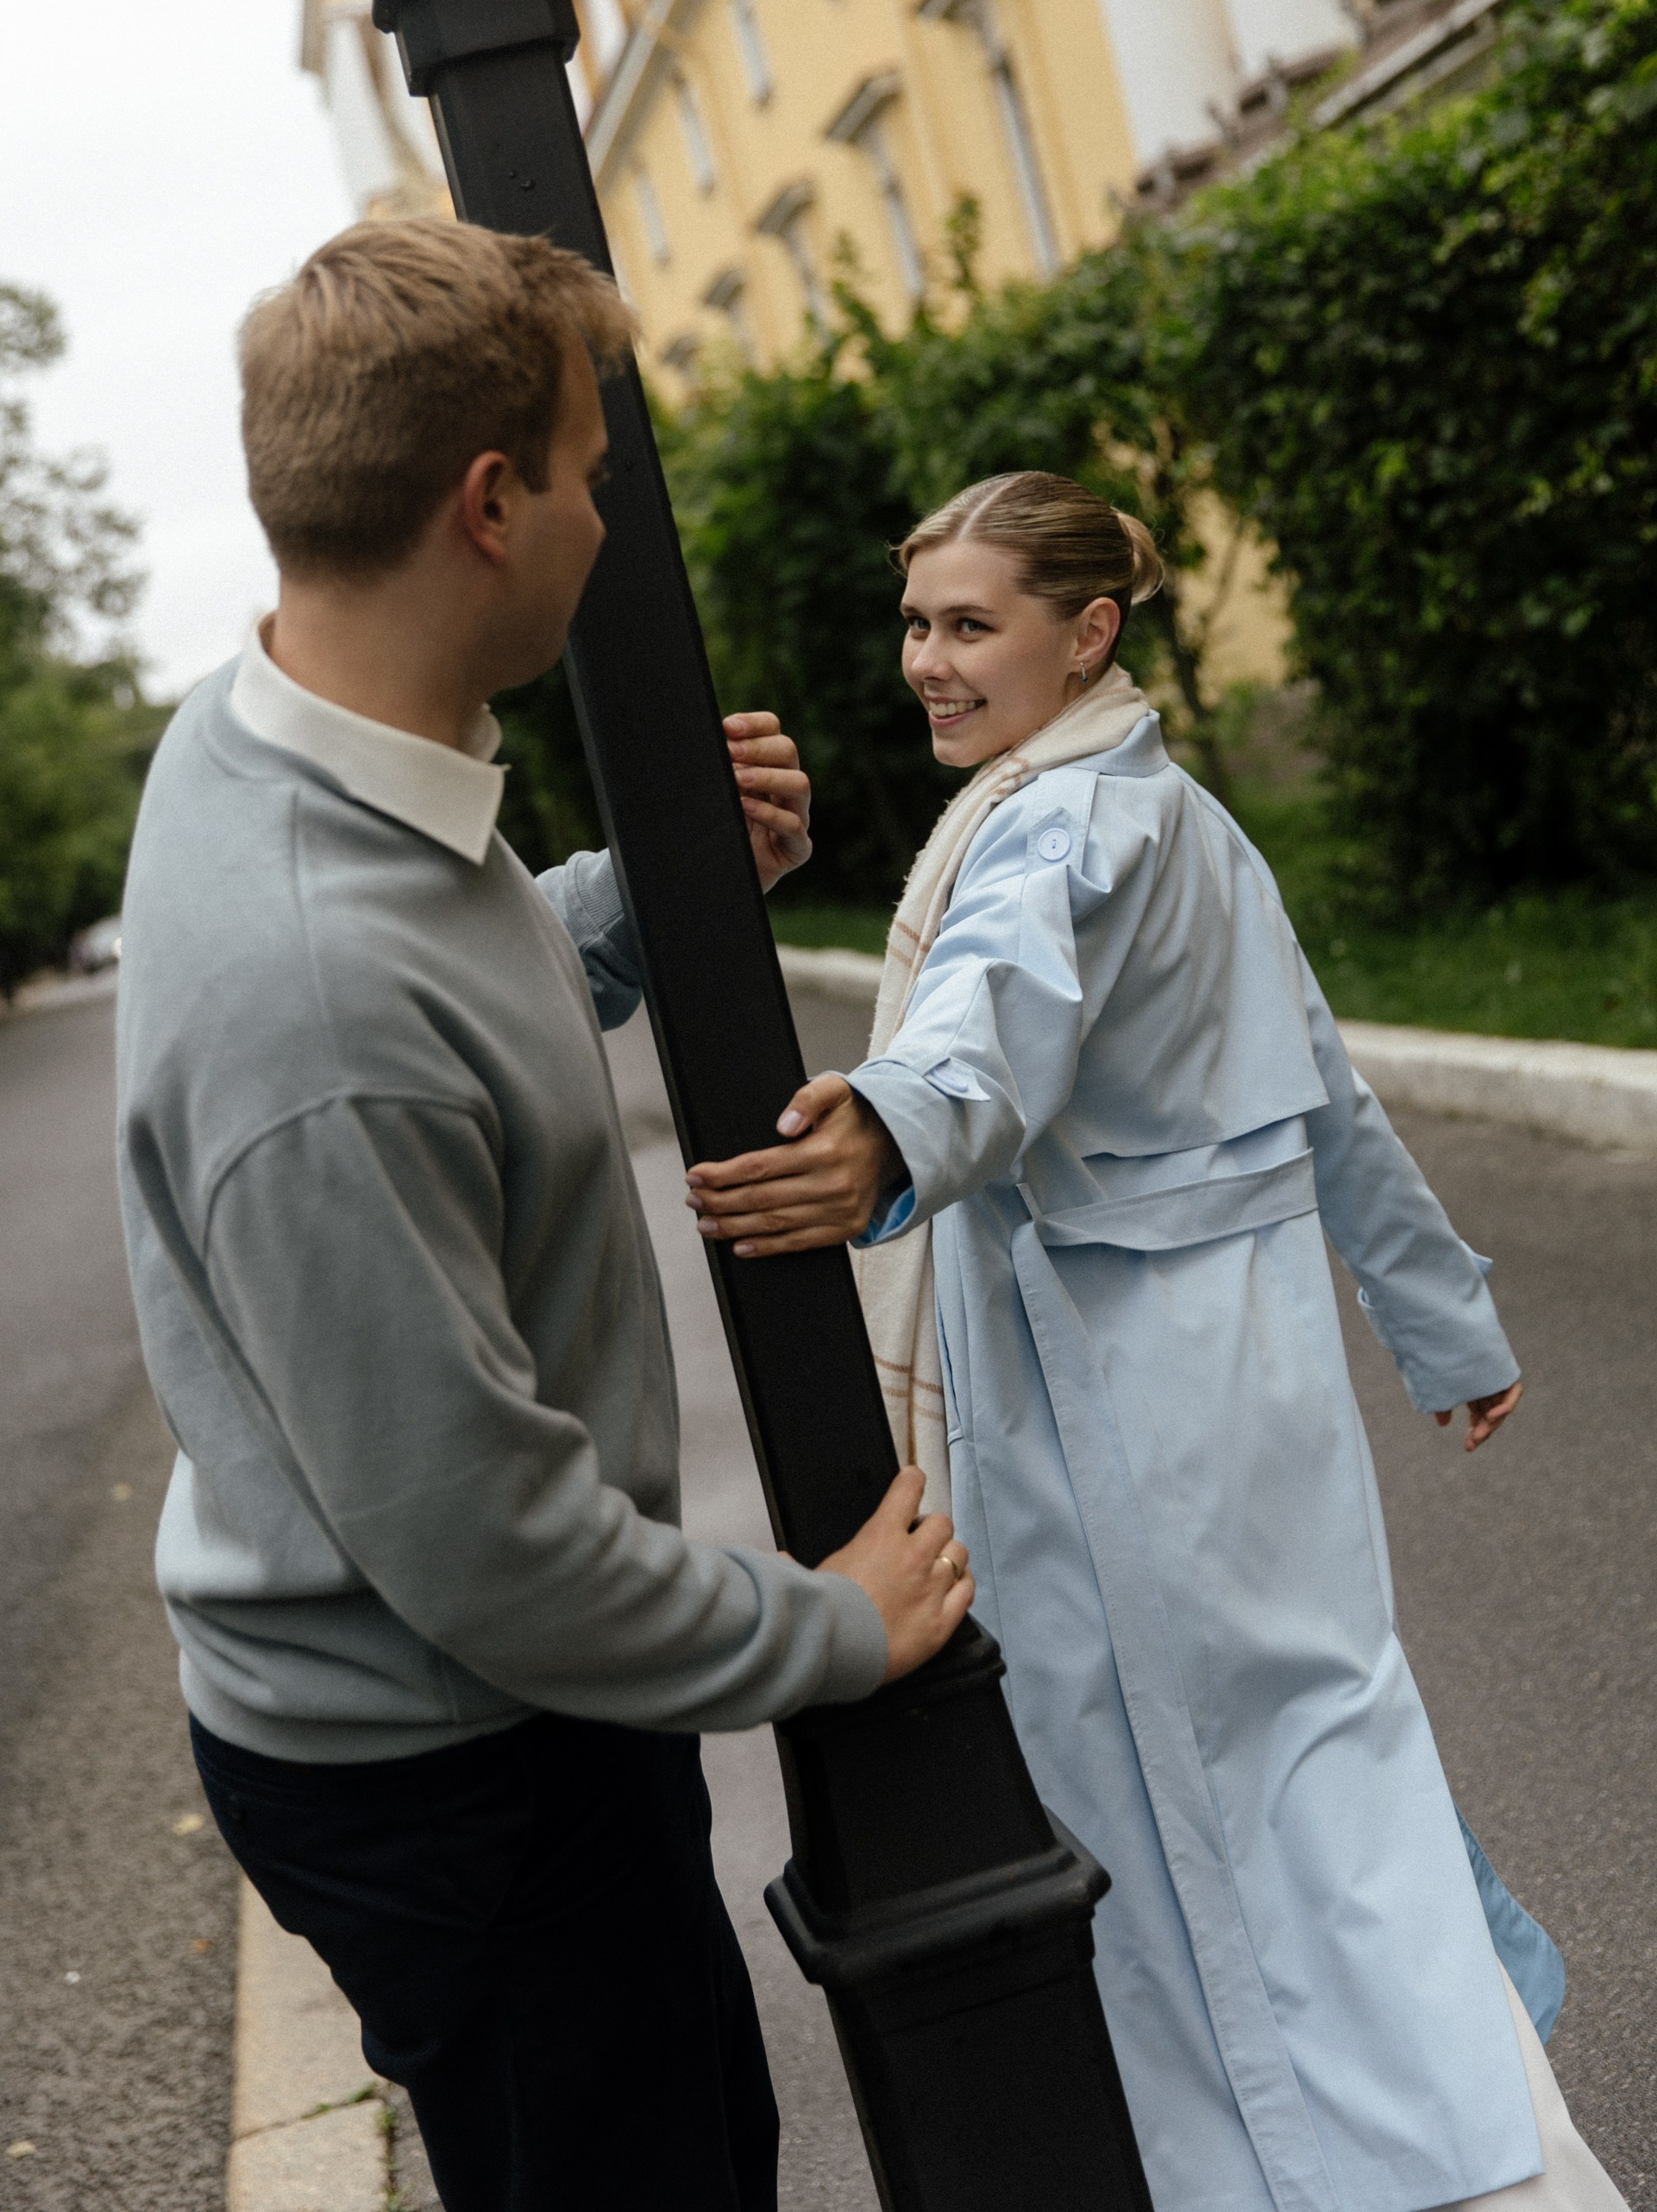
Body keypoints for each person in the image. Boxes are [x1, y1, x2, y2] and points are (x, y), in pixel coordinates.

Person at [114, 220, 974, 2212]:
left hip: (483, 1716)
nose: (608, 516)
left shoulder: (286, 740)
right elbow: (487, 1551)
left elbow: (453, 995)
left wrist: (644, 894)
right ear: (488, 506)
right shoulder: (313, 999)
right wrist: (824, 1631)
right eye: (592, 473)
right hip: (455, 1760)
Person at [685, 469, 1625, 2212]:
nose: (928, 664)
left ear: (1086, 631)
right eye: (917, 624)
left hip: (1124, 1403)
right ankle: (1487, 2141)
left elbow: (993, 1004)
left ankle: (1405, 2172)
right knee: (1319, 1744)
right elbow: (1324, 1092)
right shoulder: (1170, 805)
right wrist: (1445, 1325)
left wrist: (887, 1131)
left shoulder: (1062, 828)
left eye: (971, 625)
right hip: (1243, 1388)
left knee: (1177, 1798)